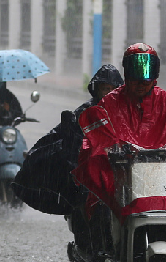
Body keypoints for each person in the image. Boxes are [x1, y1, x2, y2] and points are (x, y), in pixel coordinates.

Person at [72, 43, 166, 232]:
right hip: (121, 180)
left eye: (147, 72)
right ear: (126, 72)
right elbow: (95, 139)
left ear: (156, 72)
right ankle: (103, 252)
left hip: (160, 179)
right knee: (101, 209)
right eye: (135, 72)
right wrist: (110, 150)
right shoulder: (110, 103)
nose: (141, 81)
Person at [12, 64, 124, 216]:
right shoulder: (84, 111)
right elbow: (59, 135)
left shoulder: (126, 112)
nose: (109, 93)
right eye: (105, 88)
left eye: (113, 88)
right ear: (97, 90)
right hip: (94, 170)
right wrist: (36, 153)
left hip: (122, 168)